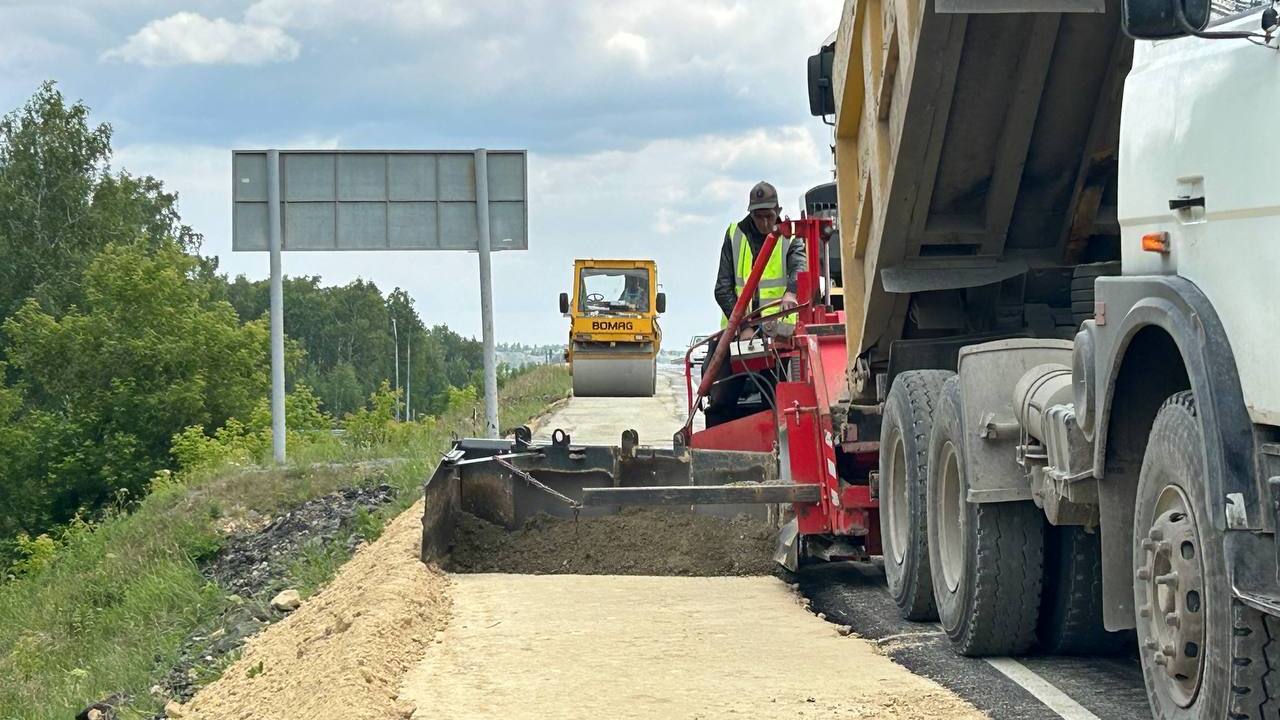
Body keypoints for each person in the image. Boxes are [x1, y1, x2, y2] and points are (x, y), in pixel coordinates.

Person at [704, 181, 807, 426]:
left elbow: (800, 270)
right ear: (750, 213)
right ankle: (717, 440)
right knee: (720, 395)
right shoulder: (734, 235)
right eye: (758, 217)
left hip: (779, 335)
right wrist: (743, 327)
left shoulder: (791, 238)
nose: (764, 223)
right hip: (739, 332)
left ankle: (776, 439)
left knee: (777, 398)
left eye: (768, 216)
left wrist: (791, 294)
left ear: (778, 211)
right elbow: (722, 289)